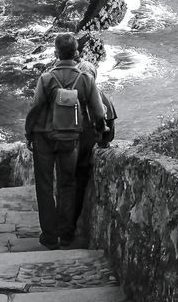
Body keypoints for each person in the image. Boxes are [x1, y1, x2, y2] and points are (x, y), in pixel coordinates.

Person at [25, 34, 107, 250]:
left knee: (44, 185)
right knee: (67, 184)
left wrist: (28, 133)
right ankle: (66, 234)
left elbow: (35, 108)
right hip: (70, 138)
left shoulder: (46, 78)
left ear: (56, 52)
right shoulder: (85, 79)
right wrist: (101, 132)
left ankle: (50, 236)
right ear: (76, 52)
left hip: (44, 137)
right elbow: (98, 113)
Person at [70, 60, 119, 241]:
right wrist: (103, 141)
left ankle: (59, 226)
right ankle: (70, 227)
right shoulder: (102, 97)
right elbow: (110, 132)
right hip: (85, 149)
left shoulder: (65, 94)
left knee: (65, 185)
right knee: (78, 185)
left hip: (64, 145)